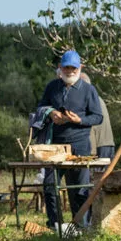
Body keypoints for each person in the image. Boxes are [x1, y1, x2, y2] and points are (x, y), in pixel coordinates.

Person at [36, 50, 105, 230]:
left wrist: (79, 120)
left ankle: (81, 226)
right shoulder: (52, 87)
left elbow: (98, 117)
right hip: (56, 145)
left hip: (80, 145)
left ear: (80, 68)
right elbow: (41, 106)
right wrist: (51, 113)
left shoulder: (89, 90)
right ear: (60, 68)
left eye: (73, 68)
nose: (70, 71)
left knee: (79, 189)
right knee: (50, 185)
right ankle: (54, 224)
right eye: (66, 67)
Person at [83, 73, 115, 160]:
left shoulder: (87, 101)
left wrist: (90, 154)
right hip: (107, 143)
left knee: (95, 173)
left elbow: (90, 128)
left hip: (98, 146)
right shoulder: (97, 98)